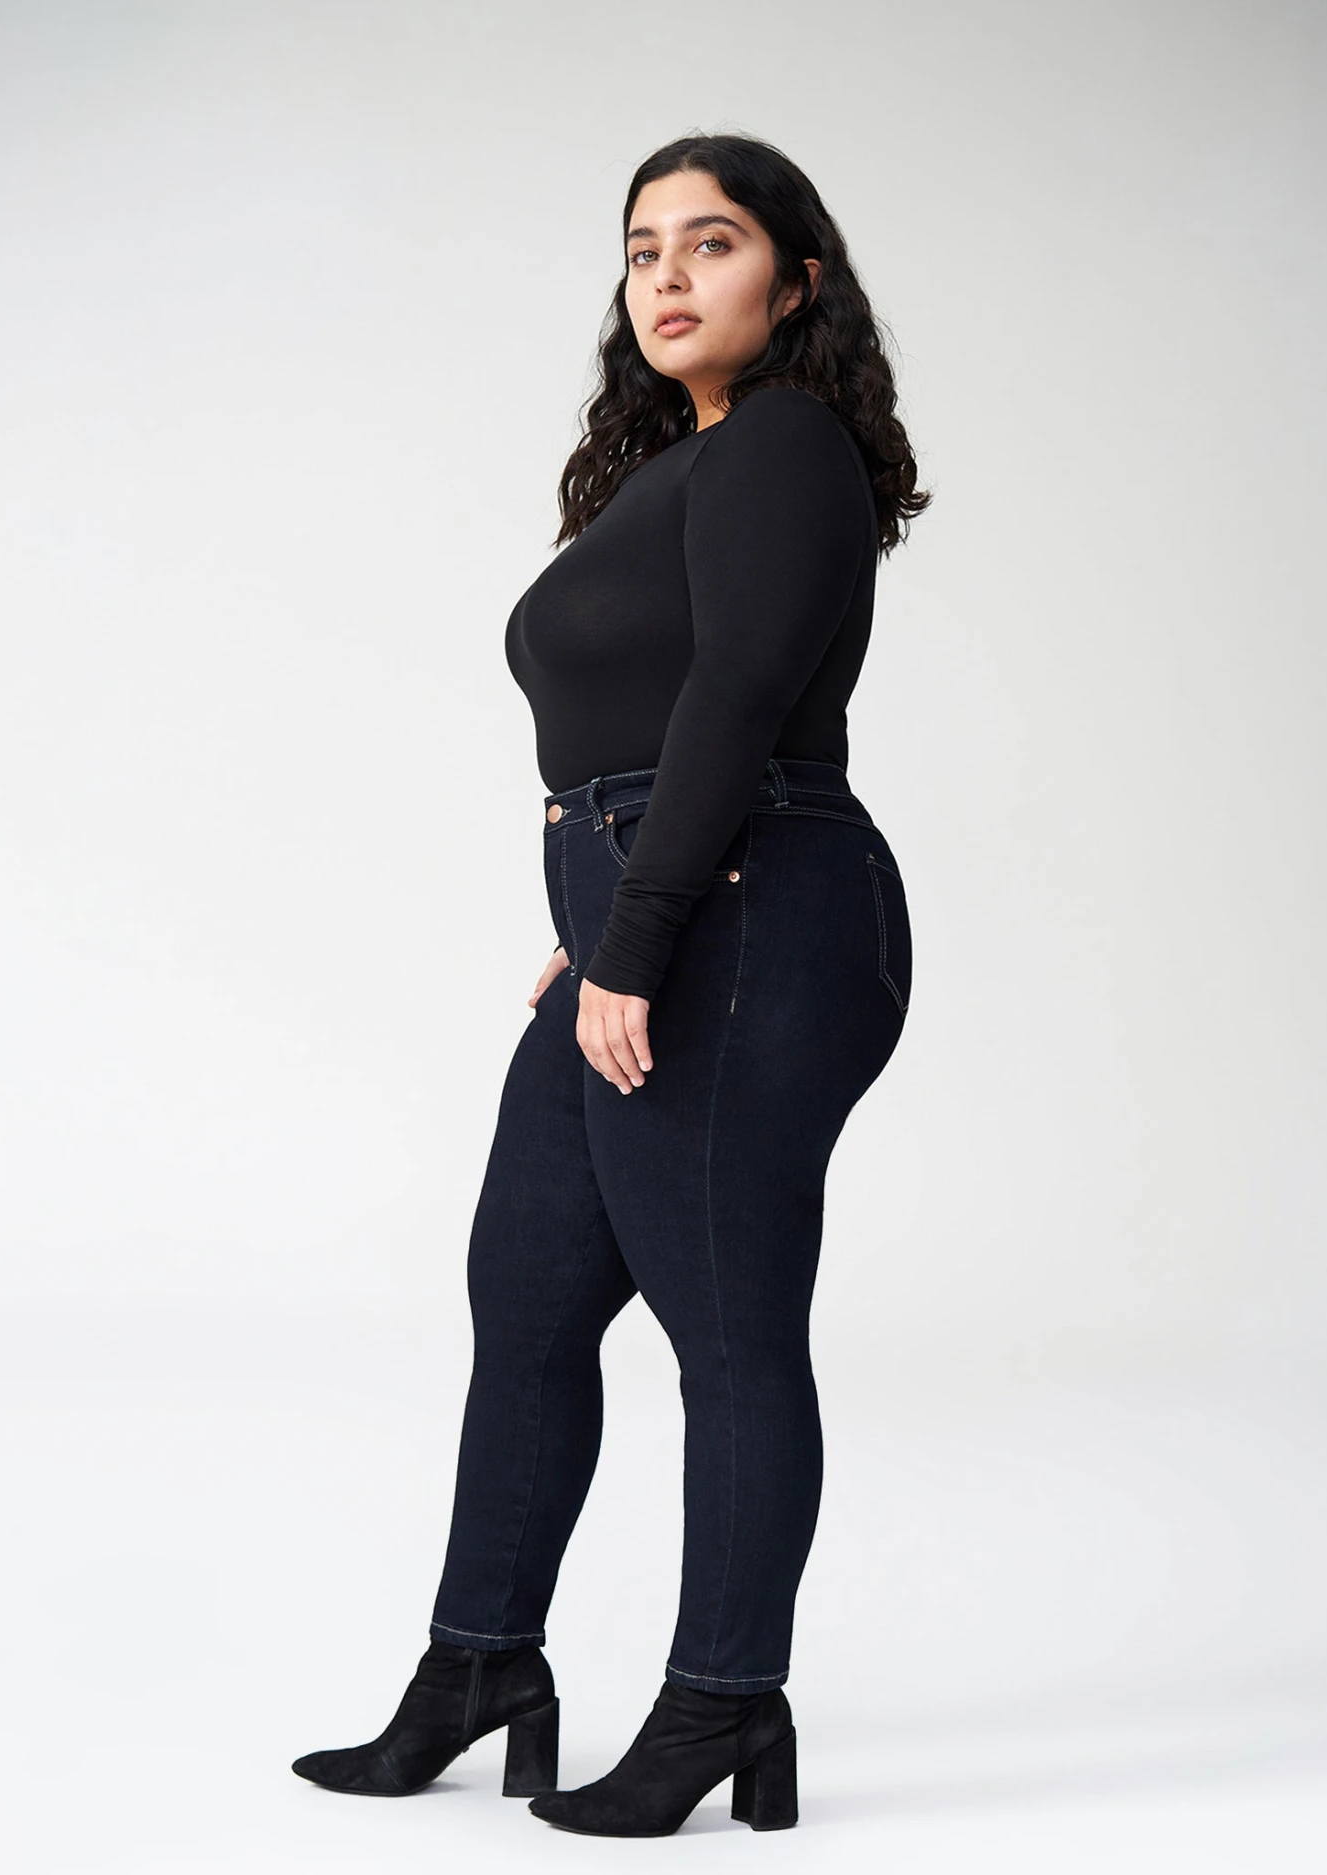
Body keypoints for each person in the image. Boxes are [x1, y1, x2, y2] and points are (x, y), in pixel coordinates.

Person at [291, 129, 931, 1838]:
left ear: (796, 280)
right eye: (643, 248)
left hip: (757, 909)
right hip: (666, 901)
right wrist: (604, 923)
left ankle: (724, 1698)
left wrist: (636, 934)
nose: (665, 275)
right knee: (527, 1295)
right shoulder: (681, 469)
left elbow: (736, 701)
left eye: (710, 243)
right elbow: (642, 735)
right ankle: (480, 1665)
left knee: (728, 1325)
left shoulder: (785, 441)